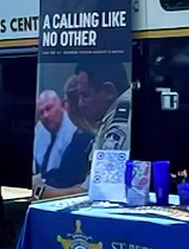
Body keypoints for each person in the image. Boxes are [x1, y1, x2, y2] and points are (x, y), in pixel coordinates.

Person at [33, 59, 132, 200]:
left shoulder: (120, 125)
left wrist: (39, 192)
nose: (80, 104)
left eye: (85, 96)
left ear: (108, 91)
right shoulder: (113, 115)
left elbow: (99, 192)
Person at [32, 89, 77, 176]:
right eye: (41, 112)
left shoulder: (73, 127)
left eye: (49, 108)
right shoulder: (40, 128)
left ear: (61, 106)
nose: (46, 115)